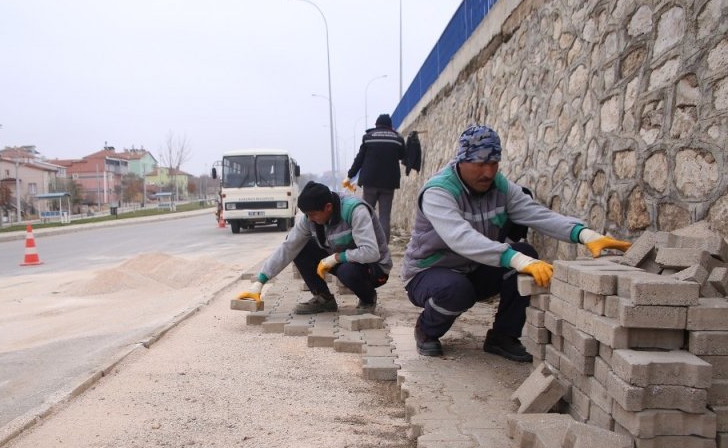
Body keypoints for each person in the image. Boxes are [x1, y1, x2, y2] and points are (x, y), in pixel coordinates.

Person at [402, 124, 631, 361]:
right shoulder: (438, 192)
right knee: (458, 289)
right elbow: (460, 237)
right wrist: (516, 259)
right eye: (480, 164)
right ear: (462, 160)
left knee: (525, 251)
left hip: (474, 266)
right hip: (429, 272)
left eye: (494, 163)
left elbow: (538, 215)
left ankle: (503, 336)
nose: (488, 172)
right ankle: (427, 330)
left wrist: (585, 235)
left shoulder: (500, 187)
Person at [237, 181, 392, 314]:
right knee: (300, 247)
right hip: (344, 259)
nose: (309, 219)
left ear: (328, 207)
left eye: (312, 214)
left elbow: (371, 252)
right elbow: (288, 247)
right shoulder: (309, 219)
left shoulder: (355, 210)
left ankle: (368, 299)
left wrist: (337, 257)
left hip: (374, 267)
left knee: (347, 272)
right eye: (307, 215)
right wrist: (260, 281)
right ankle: (323, 299)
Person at [343, 113, 406, 243]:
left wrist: (350, 176)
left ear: (376, 125)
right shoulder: (398, 139)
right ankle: (383, 247)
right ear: (390, 126)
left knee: (366, 214)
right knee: (384, 217)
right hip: (389, 183)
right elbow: (402, 156)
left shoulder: (368, 137)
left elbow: (359, 159)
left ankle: (367, 243)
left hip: (370, 182)